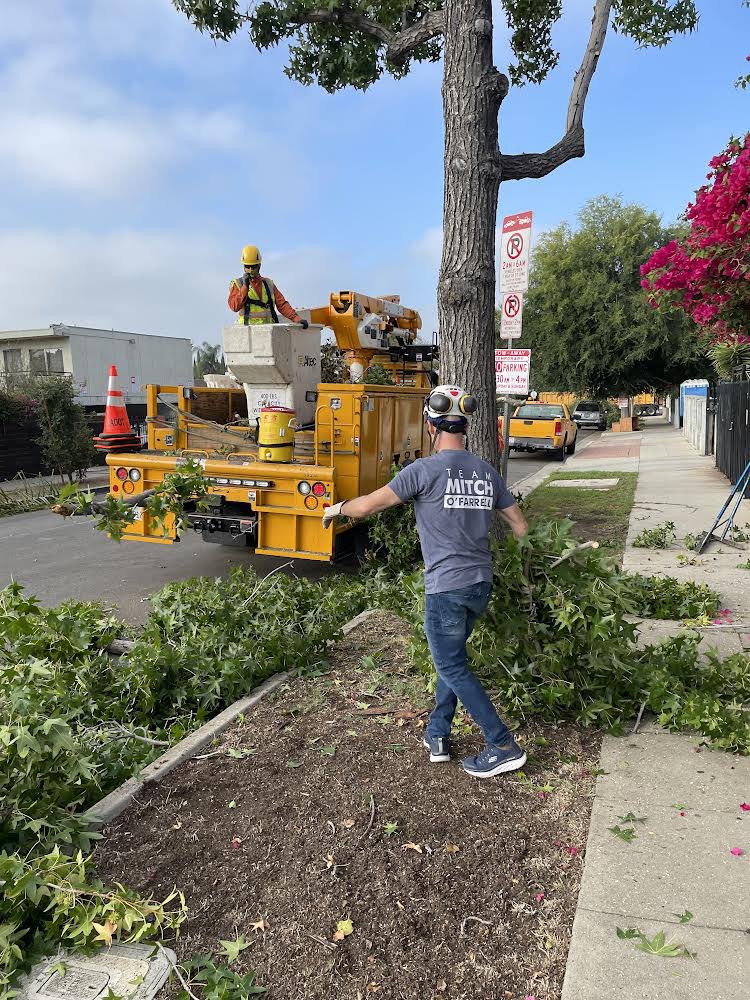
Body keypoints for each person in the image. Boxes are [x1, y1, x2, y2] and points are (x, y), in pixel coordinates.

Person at [323, 385, 529, 778]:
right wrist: (530, 572)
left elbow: (368, 506)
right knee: (451, 661)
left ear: (431, 426)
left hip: (447, 588)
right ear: (465, 425)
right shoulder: (486, 472)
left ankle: (502, 743)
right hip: (479, 585)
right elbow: (519, 525)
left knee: (451, 664)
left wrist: (337, 509)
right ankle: (438, 733)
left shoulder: (422, 471)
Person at [228, 245, 309, 328]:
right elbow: (234, 307)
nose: (251, 270)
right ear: (244, 266)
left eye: (254, 266)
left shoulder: (269, 283)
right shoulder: (238, 284)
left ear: (259, 265)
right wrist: (245, 287)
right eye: (248, 266)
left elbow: (282, 305)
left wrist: (297, 319)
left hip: (268, 334)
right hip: (248, 335)